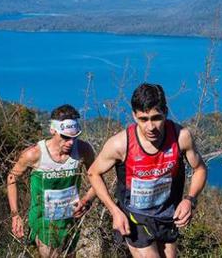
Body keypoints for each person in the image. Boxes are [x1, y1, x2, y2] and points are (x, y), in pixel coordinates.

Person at [88, 83, 207, 257]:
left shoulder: (181, 137)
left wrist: (190, 200)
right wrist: (115, 211)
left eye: (156, 118)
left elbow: (200, 169)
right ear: (134, 116)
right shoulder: (121, 144)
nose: (150, 127)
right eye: (143, 119)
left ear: (165, 113)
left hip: (167, 214)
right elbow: (93, 172)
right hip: (135, 217)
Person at [7, 104, 96, 257]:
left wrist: (86, 200)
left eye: (75, 137)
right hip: (43, 222)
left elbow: (97, 177)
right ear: (53, 130)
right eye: (65, 137)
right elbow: (11, 177)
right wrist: (15, 215)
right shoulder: (34, 154)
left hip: (70, 219)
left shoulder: (83, 150)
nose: (70, 142)